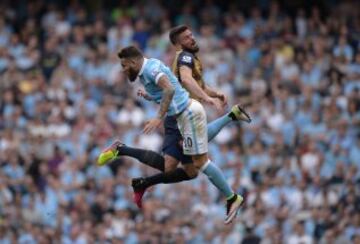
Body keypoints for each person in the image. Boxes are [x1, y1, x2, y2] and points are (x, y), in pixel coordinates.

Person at [100, 45, 244, 224]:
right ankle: (232, 116)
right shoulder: (146, 71)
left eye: (124, 65)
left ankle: (232, 197)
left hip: (186, 115)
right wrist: (151, 97)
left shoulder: (152, 69)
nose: (123, 69)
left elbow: (170, 89)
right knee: (189, 165)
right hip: (180, 117)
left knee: (195, 166)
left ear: (133, 61)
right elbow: (168, 89)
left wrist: (157, 118)